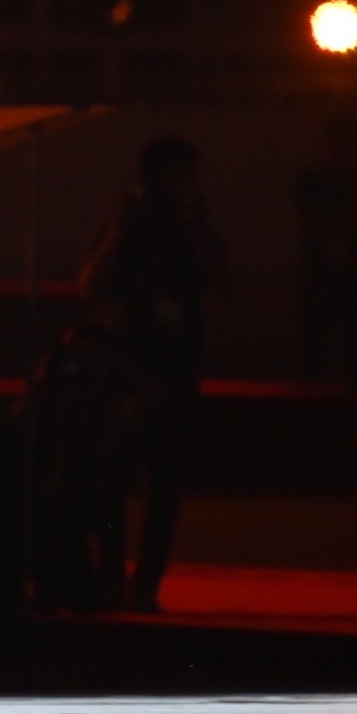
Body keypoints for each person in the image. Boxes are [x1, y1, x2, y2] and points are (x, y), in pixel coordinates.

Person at [76, 134, 230, 613]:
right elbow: (91, 286)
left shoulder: (193, 227)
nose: (190, 184)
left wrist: (196, 230)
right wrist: (120, 229)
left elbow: (222, 283)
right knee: (112, 485)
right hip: (127, 369)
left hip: (176, 370)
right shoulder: (130, 224)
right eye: (182, 175)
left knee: (165, 487)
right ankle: (110, 577)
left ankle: (146, 583)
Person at [294, 115, 357, 397]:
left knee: (355, 354)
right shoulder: (313, 181)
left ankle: (346, 410)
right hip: (325, 277)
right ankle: (319, 408)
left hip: (345, 278)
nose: (339, 146)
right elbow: (309, 217)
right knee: (317, 352)